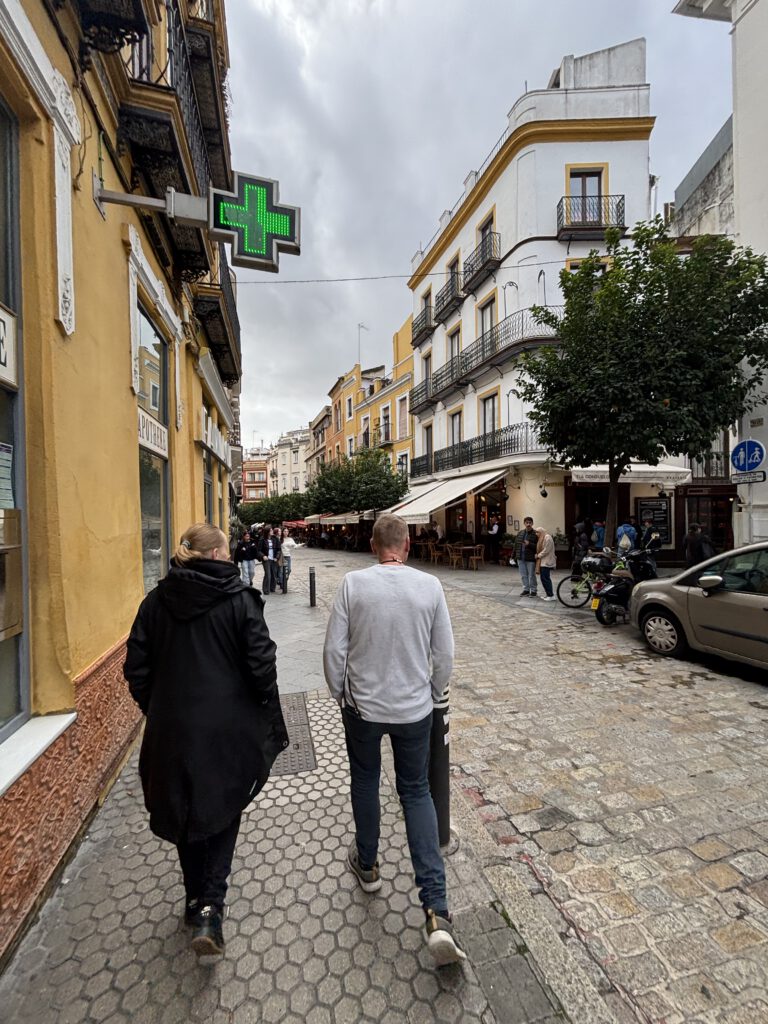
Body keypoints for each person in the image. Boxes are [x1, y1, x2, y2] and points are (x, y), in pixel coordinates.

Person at [123, 523, 288, 957]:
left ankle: (194, 895)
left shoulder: (155, 602)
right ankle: (211, 907)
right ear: (215, 554)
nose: (230, 557)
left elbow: (136, 668)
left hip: (171, 731)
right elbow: (262, 666)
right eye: (226, 551)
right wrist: (254, 705)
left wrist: (158, 708)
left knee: (185, 807)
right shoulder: (238, 600)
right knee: (224, 807)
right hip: (226, 730)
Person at [322, 514, 465, 966]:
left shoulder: (353, 585)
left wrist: (341, 694)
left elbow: (334, 651)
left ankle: (367, 865)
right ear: (406, 545)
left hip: (363, 709)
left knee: (366, 781)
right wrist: (433, 693)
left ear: (373, 546)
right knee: (416, 792)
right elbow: (444, 653)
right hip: (414, 710)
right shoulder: (430, 587)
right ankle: (436, 912)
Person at [516, 517, 538, 597]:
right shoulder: (520, 533)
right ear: (524, 523)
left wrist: (529, 544)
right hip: (521, 557)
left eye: (530, 523)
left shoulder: (535, 534)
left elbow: (538, 547)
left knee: (531, 575)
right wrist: (513, 556)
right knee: (523, 575)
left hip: (530, 558)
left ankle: (534, 590)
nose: (528, 524)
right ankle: (526, 590)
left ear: (532, 523)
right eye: (527, 522)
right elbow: (516, 545)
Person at [257, 525, 281, 594]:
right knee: (268, 574)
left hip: (274, 559)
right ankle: (266, 590)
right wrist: (263, 556)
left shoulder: (275, 539)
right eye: (270, 530)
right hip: (266, 559)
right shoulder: (262, 539)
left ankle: (272, 588)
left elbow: (279, 549)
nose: (272, 531)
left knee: (274, 574)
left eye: (272, 530)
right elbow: (258, 550)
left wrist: (276, 557)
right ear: (267, 532)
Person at [535, 528, 556, 601]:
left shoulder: (547, 538)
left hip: (546, 561)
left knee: (545, 578)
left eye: (538, 532)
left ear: (541, 532)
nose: (536, 534)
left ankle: (551, 595)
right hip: (543, 561)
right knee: (544, 578)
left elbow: (546, 550)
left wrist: (538, 555)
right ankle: (548, 594)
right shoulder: (543, 537)